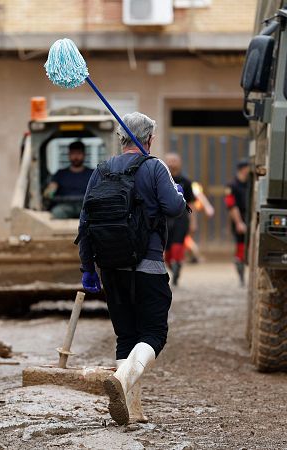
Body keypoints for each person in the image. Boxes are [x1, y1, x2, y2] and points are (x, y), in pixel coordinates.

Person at [78, 112, 186, 425]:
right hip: (148, 266)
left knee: (126, 336)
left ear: (121, 139)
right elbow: (175, 208)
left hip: (110, 267)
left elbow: (85, 222)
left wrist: (88, 268)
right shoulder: (154, 166)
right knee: (153, 334)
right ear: (149, 139)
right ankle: (123, 381)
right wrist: (177, 191)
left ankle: (132, 409)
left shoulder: (101, 171)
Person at [163, 153, 195, 286]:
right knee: (167, 249)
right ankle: (173, 266)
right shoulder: (161, 180)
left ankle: (177, 265)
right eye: (169, 161)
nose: (172, 163)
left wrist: (193, 221)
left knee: (178, 244)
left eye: (174, 161)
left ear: (180, 163)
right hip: (165, 218)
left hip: (181, 218)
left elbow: (191, 203)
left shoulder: (186, 182)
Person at [44, 141, 94, 219]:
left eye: (79, 153)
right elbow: (51, 189)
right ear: (69, 155)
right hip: (65, 206)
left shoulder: (93, 174)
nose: (76, 157)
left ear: (84, 155)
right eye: (73, 153)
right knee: (57, 212)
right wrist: (49, 193)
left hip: (86, 206)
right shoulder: (60, 174)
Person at [225, 159, 250, 286]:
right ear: (243, 169)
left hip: (249, 216)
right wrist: (239, 222)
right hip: (238, 217)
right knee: (240, 245)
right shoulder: (232, 185)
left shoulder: (250, 184)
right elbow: (231, 205)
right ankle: (241, 276)